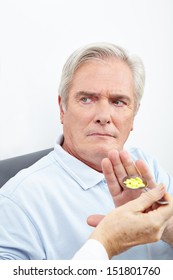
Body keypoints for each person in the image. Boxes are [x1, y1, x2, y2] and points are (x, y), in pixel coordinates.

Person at [0, 42, 173, 260]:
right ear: (62, 109)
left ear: (134, 116)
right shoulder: (19, 200)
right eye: (86, 99)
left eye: (118, 102)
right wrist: (103, 246)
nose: (103, 115)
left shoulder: (146, 167)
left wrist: (165, 226)